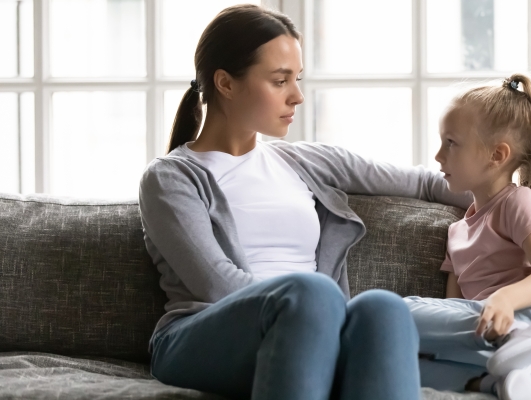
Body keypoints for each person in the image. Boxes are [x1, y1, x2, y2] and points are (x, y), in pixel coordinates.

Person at [136, 4, 487, 400]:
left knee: (383, 311)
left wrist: (520, 199)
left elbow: (427, 184)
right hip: (200, 335)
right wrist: (317, 311)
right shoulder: (170, 178)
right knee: (315, 293)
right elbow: (216, 285)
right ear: (226, 83)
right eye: (280, 80)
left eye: (297, 79)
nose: (298, 96)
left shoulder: (303, 162)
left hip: (313, 321)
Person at [404, 74, 531, 400]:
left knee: (395, 311)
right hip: (492, 346)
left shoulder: (518, 201)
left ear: (497, 155)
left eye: (451, 143)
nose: (439, 155)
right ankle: (508, 382)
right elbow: (455, 311)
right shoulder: (456, 233)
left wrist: (505, 300)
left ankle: (516, 338)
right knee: (405, 363)